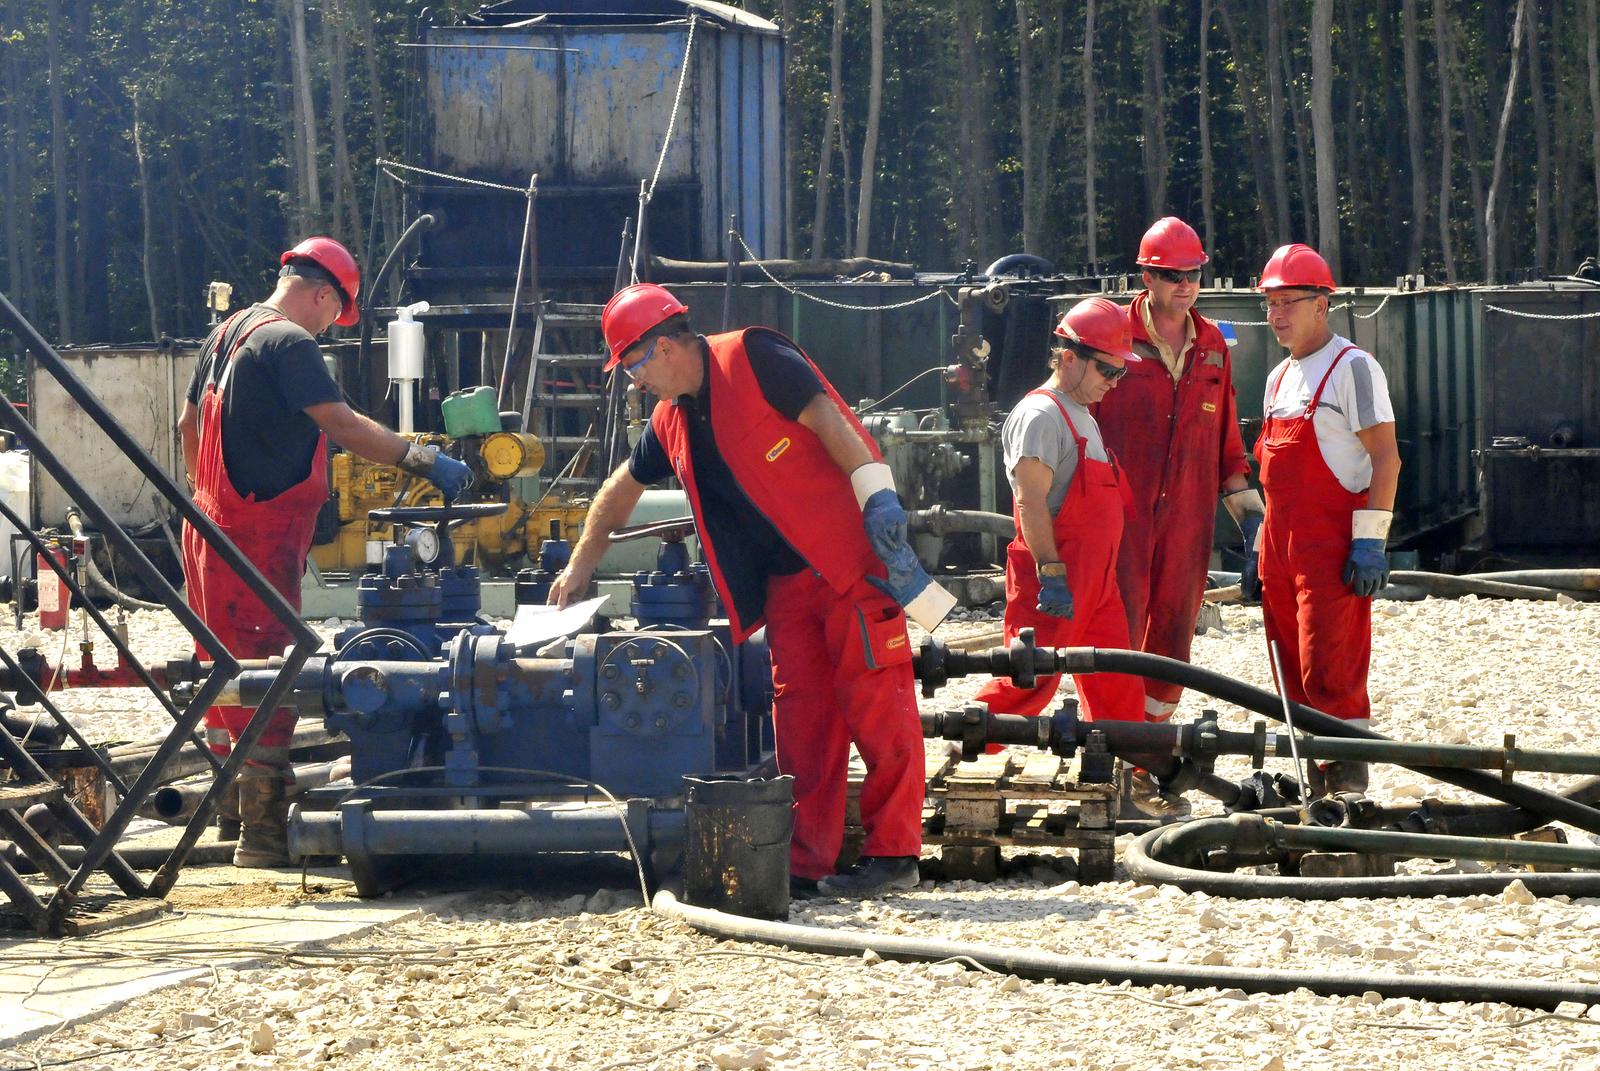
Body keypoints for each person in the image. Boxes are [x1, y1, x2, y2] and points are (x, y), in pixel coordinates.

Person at [547, 283, 953, 899]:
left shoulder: (755, 357)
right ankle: (806, 862)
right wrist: (582, 564)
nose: (633, 381)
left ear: (664, 347)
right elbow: (620, 489)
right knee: (802, 722)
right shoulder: (669, 422)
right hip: (786, 585)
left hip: (849, 566)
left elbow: (833, 423)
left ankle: (894, 856)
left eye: (632, 365)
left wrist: (879, 499)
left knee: (879, 707)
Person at [179, 236, 472, 867]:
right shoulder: (288, 341)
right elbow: (339, 423)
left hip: (208, 526)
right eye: (330, 314)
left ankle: (233, 812)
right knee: (270, 670)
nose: (326, 326)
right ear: (321, 294)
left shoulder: (224, 335)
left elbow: (186, 429)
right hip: (259, 534)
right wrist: (419, 458)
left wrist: (211, 500)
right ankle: (261, 835)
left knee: (223, 667)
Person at [971, 297, 1181, 817]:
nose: (1115, 380)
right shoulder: (1042, 414)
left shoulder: (1081, 413)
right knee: (1029, 682)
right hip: (1058, 581)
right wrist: (1052, 573)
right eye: (1108, 369)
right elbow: (1030, 500)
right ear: (1069, 356)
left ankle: (1129, 787)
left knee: (1117, 684)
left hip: (1098, 583)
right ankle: (961, 746)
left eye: (1119, 371)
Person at [1094, 218, 1258, 761]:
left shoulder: (1212, 344)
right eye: (1171, 275)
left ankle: (1150, 752)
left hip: (1187, 522)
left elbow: (1227, 446)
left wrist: (1253, 523)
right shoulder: (1110, 334)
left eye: (1192, 274)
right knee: (1117, 633)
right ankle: (1113, 753)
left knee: (1171, 635)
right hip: (1122, 517)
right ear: (1145, 275)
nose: (1184, 285)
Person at [1244, 243, 1401, 797]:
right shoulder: (1277, 378)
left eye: (1290, 301)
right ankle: (1316, 783)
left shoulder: (1352, 367)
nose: (1278, 314)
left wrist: (1371, 543)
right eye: (1271, 303)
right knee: (1289, 670)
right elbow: (1270, 475)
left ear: (1322, 304)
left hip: (1333, 548)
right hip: (1283, 551)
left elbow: (1386, 458)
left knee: (1328, 668)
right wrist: (1260, 545)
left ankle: (1348, 787)